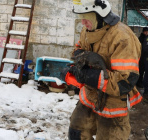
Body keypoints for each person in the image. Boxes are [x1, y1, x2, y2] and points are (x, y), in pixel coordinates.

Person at [60, 0, 143, 139]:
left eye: (86, 18)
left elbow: (125, 82)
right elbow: (78, 47)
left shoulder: (123, 37)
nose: (83, 23)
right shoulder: (88, 30)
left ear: (100, 15)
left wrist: (88, 75)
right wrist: (79, 59)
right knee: (76, 132)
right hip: (89, 96)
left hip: (113, 104)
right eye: (81, 18)